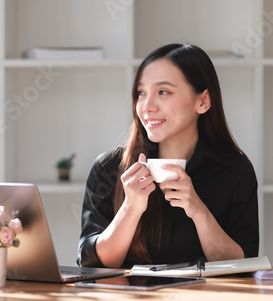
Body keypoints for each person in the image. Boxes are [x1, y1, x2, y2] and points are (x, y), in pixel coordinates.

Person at [77, 43, 258, 268]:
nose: (146, 107)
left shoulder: (235, 170)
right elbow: (92, 263)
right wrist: (131, 209)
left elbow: (244, 266)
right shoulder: (109, 168)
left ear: (203, 101)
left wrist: (199, 211)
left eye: (163, 92)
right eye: (141, 93)